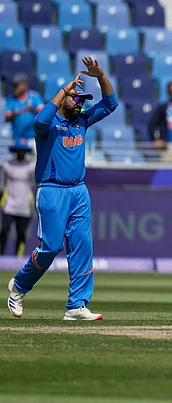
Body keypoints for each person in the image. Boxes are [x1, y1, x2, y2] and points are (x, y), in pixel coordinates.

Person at [7, 57, 118, 321]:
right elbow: (39, 122)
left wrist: (100, 75)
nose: (80, 103)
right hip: (52, 191)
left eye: (82, 99)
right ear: (64, 97)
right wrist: (63, 93)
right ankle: (19, 287)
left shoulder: (82, 121)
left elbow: (111, 104)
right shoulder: (48, 126)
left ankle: (76, 305)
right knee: (51, 247)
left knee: (81, 246)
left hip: (79, 191)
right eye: (76, 98)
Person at [0, 140, 36, 256]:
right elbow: (2, 184)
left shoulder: (31, 166)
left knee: (21, 232)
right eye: (19, 150)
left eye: (23, 151)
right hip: (9, 204)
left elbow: (33, 183)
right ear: (15, 151)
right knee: (4, 230)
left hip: (25, 205)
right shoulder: (7, 165)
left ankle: (18, 258)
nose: (21, 153)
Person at [5, 73, 45, 149]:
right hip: (17, 138)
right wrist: (16, 113)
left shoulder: (34, 96)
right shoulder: (11, 99)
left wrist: (31, 109)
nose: (14, 88)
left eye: (17, 85)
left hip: (33, 138)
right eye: (13, 85)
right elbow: (7, 117)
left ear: (25, 85)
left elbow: (43, 113)